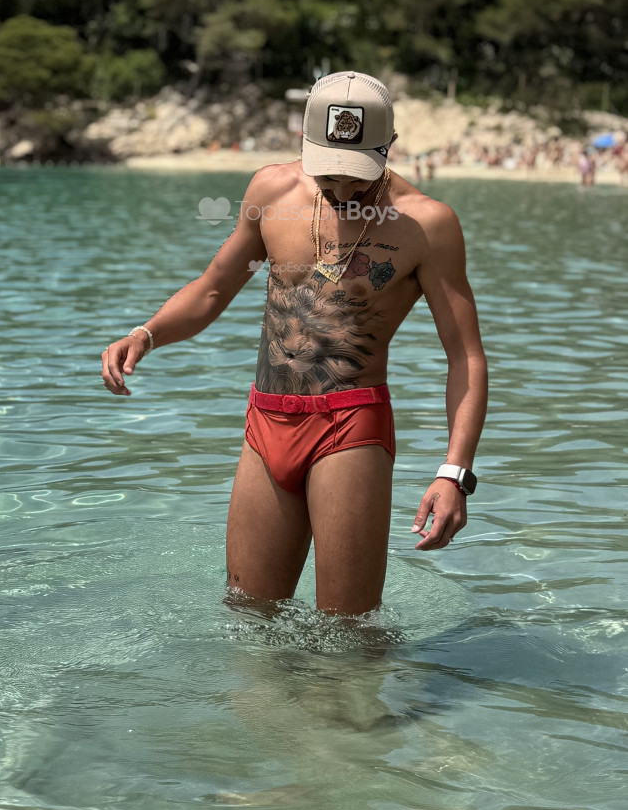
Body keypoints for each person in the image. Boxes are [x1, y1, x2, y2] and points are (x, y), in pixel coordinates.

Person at [101, 72, 488, 616]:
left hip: (349, 427)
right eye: (329, 173)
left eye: (357, 175)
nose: (342, 190)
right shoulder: (271, 191)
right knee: (248, 617)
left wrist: (455, 473)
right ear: (305, 143)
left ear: (389, 147)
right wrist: (146, 334)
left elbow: (464, 355)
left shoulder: (427, 225)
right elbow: (213, 288)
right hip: (265, 422)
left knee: (348, 635)